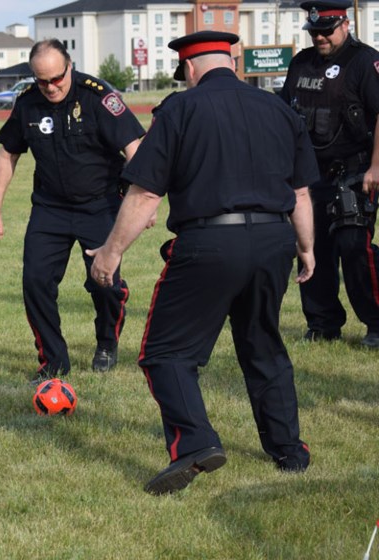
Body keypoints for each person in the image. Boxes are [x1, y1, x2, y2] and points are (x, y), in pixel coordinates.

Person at [87, 32, 318, 494]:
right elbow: (299, 191)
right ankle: (289, 450)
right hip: (275, 238)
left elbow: (147, 192)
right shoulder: (278, 108)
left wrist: (110, 252)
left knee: (166, 354)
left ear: (189, 68)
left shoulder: (180, 109)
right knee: (263, 344)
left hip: (211, 240)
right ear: (231, 61)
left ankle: (195, 443)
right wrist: (306, 247)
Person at [0, 39, 143, 379]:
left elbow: (134, 148)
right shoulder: (27, 103)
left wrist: (144, 199)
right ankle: (54, 362)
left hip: (100, 205)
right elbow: (8, 153)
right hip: (50, 208)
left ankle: (106, 341)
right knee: (35, 282)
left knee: (104, 283)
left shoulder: (98, 96)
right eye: (43, 81)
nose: (51, 87)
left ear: (69, 66)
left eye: (57, 78)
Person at [280, 0, 379, 349]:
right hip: (309, 175)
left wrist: (376, 166)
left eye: (327, 30)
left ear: (345, 23)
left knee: (355, 246)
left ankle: (376, 321)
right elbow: (285, 116)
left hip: (355, 169)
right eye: (315, 31)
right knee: (312, 245)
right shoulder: (300, 63)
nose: (320, 37)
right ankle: (322, 323)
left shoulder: (364, 61)